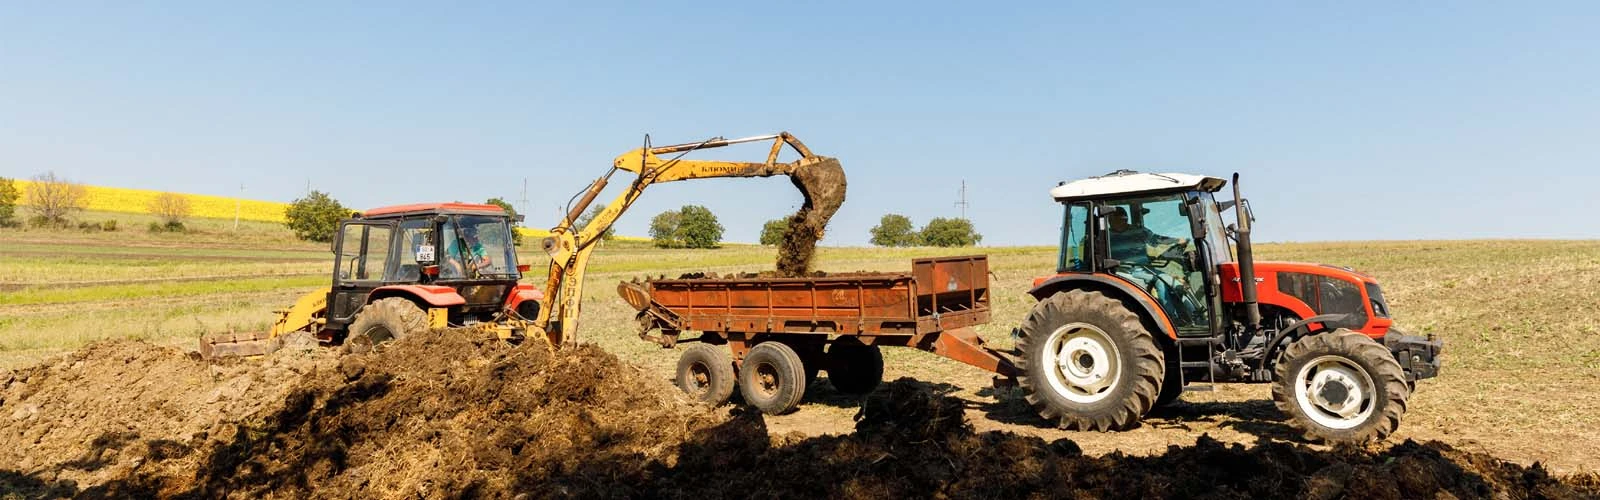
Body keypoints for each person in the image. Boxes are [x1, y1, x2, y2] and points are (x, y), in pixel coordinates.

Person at [1107, 207, 1187, 265]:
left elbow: (1156, 240)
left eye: (1117, 219)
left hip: (1142, 268)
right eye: (1110, 220)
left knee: (1167, 282)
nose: (1111, 222)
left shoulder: (1139, 231)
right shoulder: (1106, 236)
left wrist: (1176, 240)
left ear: (1125, 219)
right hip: (1120, 272)